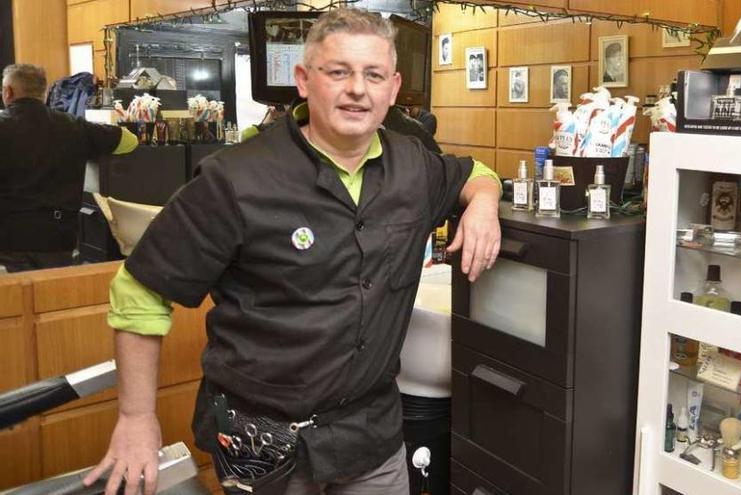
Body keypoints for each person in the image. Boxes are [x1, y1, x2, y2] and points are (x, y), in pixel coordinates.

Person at [84, 8, 500, 495]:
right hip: (264, 443)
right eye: (338, 72)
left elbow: (474, 173)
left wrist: (484, 204)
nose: (357, 89)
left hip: (372, 435)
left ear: (393, 87)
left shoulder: (415, 167)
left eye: (373, 75)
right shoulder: (235, 179)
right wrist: (136, 417)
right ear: (303, 80)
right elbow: (140, 290)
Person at [0, 64, 137, 273]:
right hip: (58, 237)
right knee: (56, 297)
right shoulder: (74, 125)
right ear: (44, 93)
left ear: (8, 92)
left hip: (9, 238)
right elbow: (129, 141)